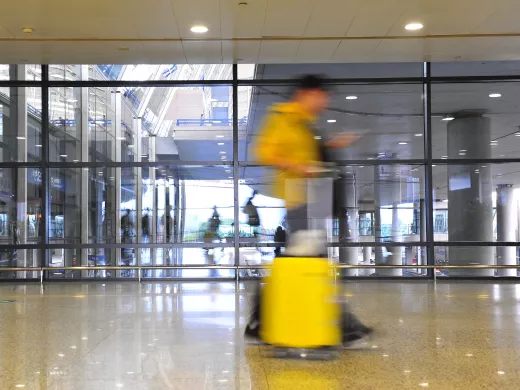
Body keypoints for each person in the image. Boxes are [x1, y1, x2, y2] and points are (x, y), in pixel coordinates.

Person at [245, 74, 372, 346]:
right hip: (299, 202)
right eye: (321, 96)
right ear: (307, 94)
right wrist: (296, 166)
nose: (324, 102)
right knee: (309, 262)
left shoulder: (306, 124)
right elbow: (264, 152)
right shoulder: (283, 117)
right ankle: (341, 325)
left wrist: (329, 147)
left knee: (306, 262)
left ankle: (262, 321)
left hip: (313, 201)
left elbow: (310, 158)